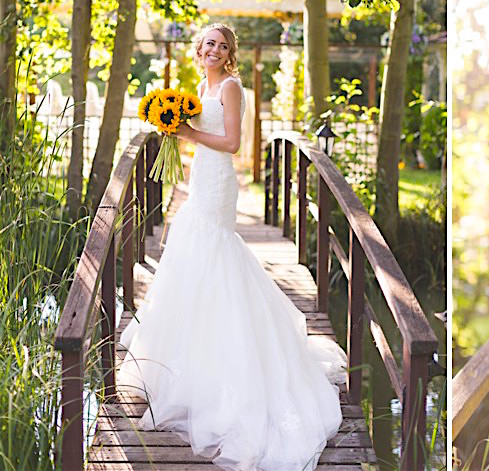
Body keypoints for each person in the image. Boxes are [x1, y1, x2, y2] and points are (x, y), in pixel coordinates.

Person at [117, 24, 345, 471]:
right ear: (198, 50)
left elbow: (235, 144)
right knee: (191, 251)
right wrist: (174, 132)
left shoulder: (233, 87)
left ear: (229, 53)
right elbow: (199, 137)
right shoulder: (200, 86)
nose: (214, 50)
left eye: (222, 46)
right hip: (202, 175)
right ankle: (186, 361)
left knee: (212, 249)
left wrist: (187, 134)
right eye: (208, 44)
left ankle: (230, 363)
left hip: (220, 180)